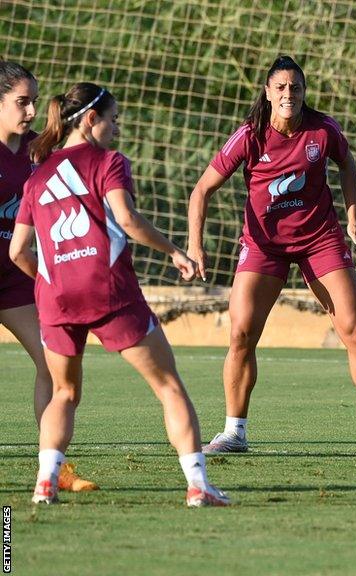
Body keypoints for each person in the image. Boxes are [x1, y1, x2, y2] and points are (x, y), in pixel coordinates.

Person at [9, 82, 229, 506]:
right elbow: (127, 220)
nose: (116, 129)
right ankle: (199, 486)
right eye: (113, 120)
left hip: (56, 299)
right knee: (168, 386)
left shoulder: (37, 176)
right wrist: (174, 251)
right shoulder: (107, 162)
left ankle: (45, 482)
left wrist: (48, 280)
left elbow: (18, 251)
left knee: (63, 393)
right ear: (91, 119)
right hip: (108, 291)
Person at [187, 56, 356, 455]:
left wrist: (354, 219)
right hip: (264, 246)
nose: (289, 94)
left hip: (319, 240)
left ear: (304, 93)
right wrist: (194, 245)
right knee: (240, 334)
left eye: (296, 87)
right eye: (282, 87)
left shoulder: (323, 130)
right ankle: (234, 432)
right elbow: (201, 190)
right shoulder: (249, 135)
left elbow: (348, 166)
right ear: (268, 92)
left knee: (355, 330)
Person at [0, 61, 97, 493]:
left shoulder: (36, 152)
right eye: (22, 101)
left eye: (35, 101)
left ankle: (54, 468)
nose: (31, 110)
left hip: (16, 280)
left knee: (55, 368)